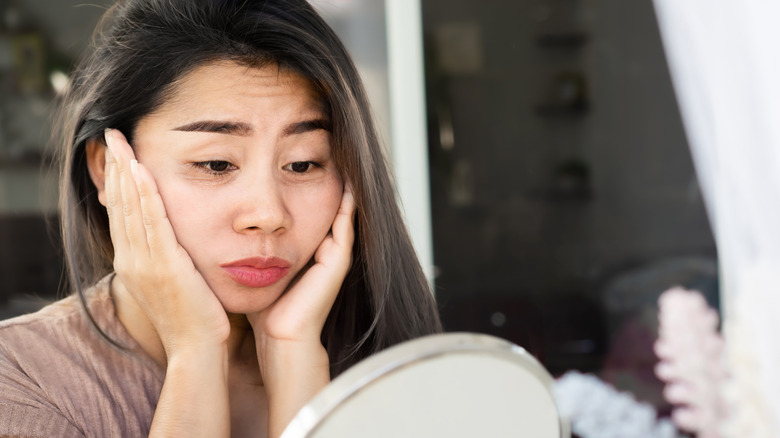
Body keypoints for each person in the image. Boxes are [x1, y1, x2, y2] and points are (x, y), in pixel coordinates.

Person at [0, 0, 442, 436]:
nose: (268, 215)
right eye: (215, 164)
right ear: (106, 168)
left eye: (304, 164)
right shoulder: (21, 378)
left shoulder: (404, 370)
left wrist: (294, 360)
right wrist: (195, 353)